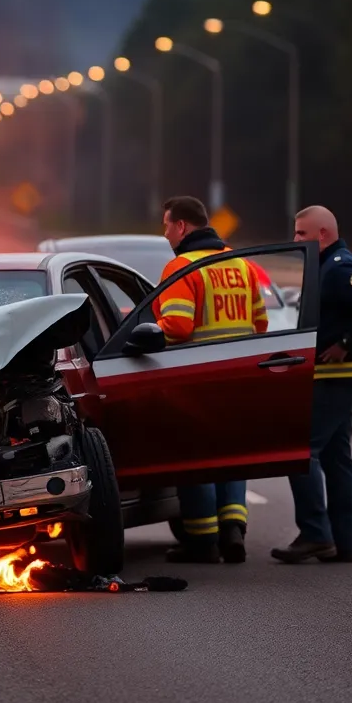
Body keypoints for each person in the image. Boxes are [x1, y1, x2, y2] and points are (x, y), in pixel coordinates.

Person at [154, 196, 268, 565]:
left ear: (182, 226)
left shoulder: (181, 267)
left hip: (198, 379)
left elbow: (177, 327)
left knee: (195, 459)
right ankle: (233, 527)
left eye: (167, 224)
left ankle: (202, 543)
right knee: (231, 455)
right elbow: (260, 323)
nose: (165, 232)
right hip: (239, 376)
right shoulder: (240, 263)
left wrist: (148, 328)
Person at [272, 205, 352, 564]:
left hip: (338, 377)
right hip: (333, 377)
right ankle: (343, 544)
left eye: (301, 233)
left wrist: (346, 344)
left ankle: (315, 534)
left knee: (300, 450)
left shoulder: (339, 268)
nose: (295, 240)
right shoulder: (324, 265)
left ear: (322, 234)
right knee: (337, 458)